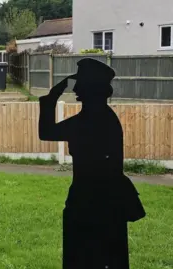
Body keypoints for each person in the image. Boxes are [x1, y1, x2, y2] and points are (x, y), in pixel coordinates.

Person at [38, 58, 145, 269]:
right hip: (104, 200)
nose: (75, 87)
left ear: (91, 88)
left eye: (80, 83)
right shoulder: (103, 116)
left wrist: (51, 99)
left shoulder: (90, 120)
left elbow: (47, 132)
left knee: (86, 258)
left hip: (90, 202)